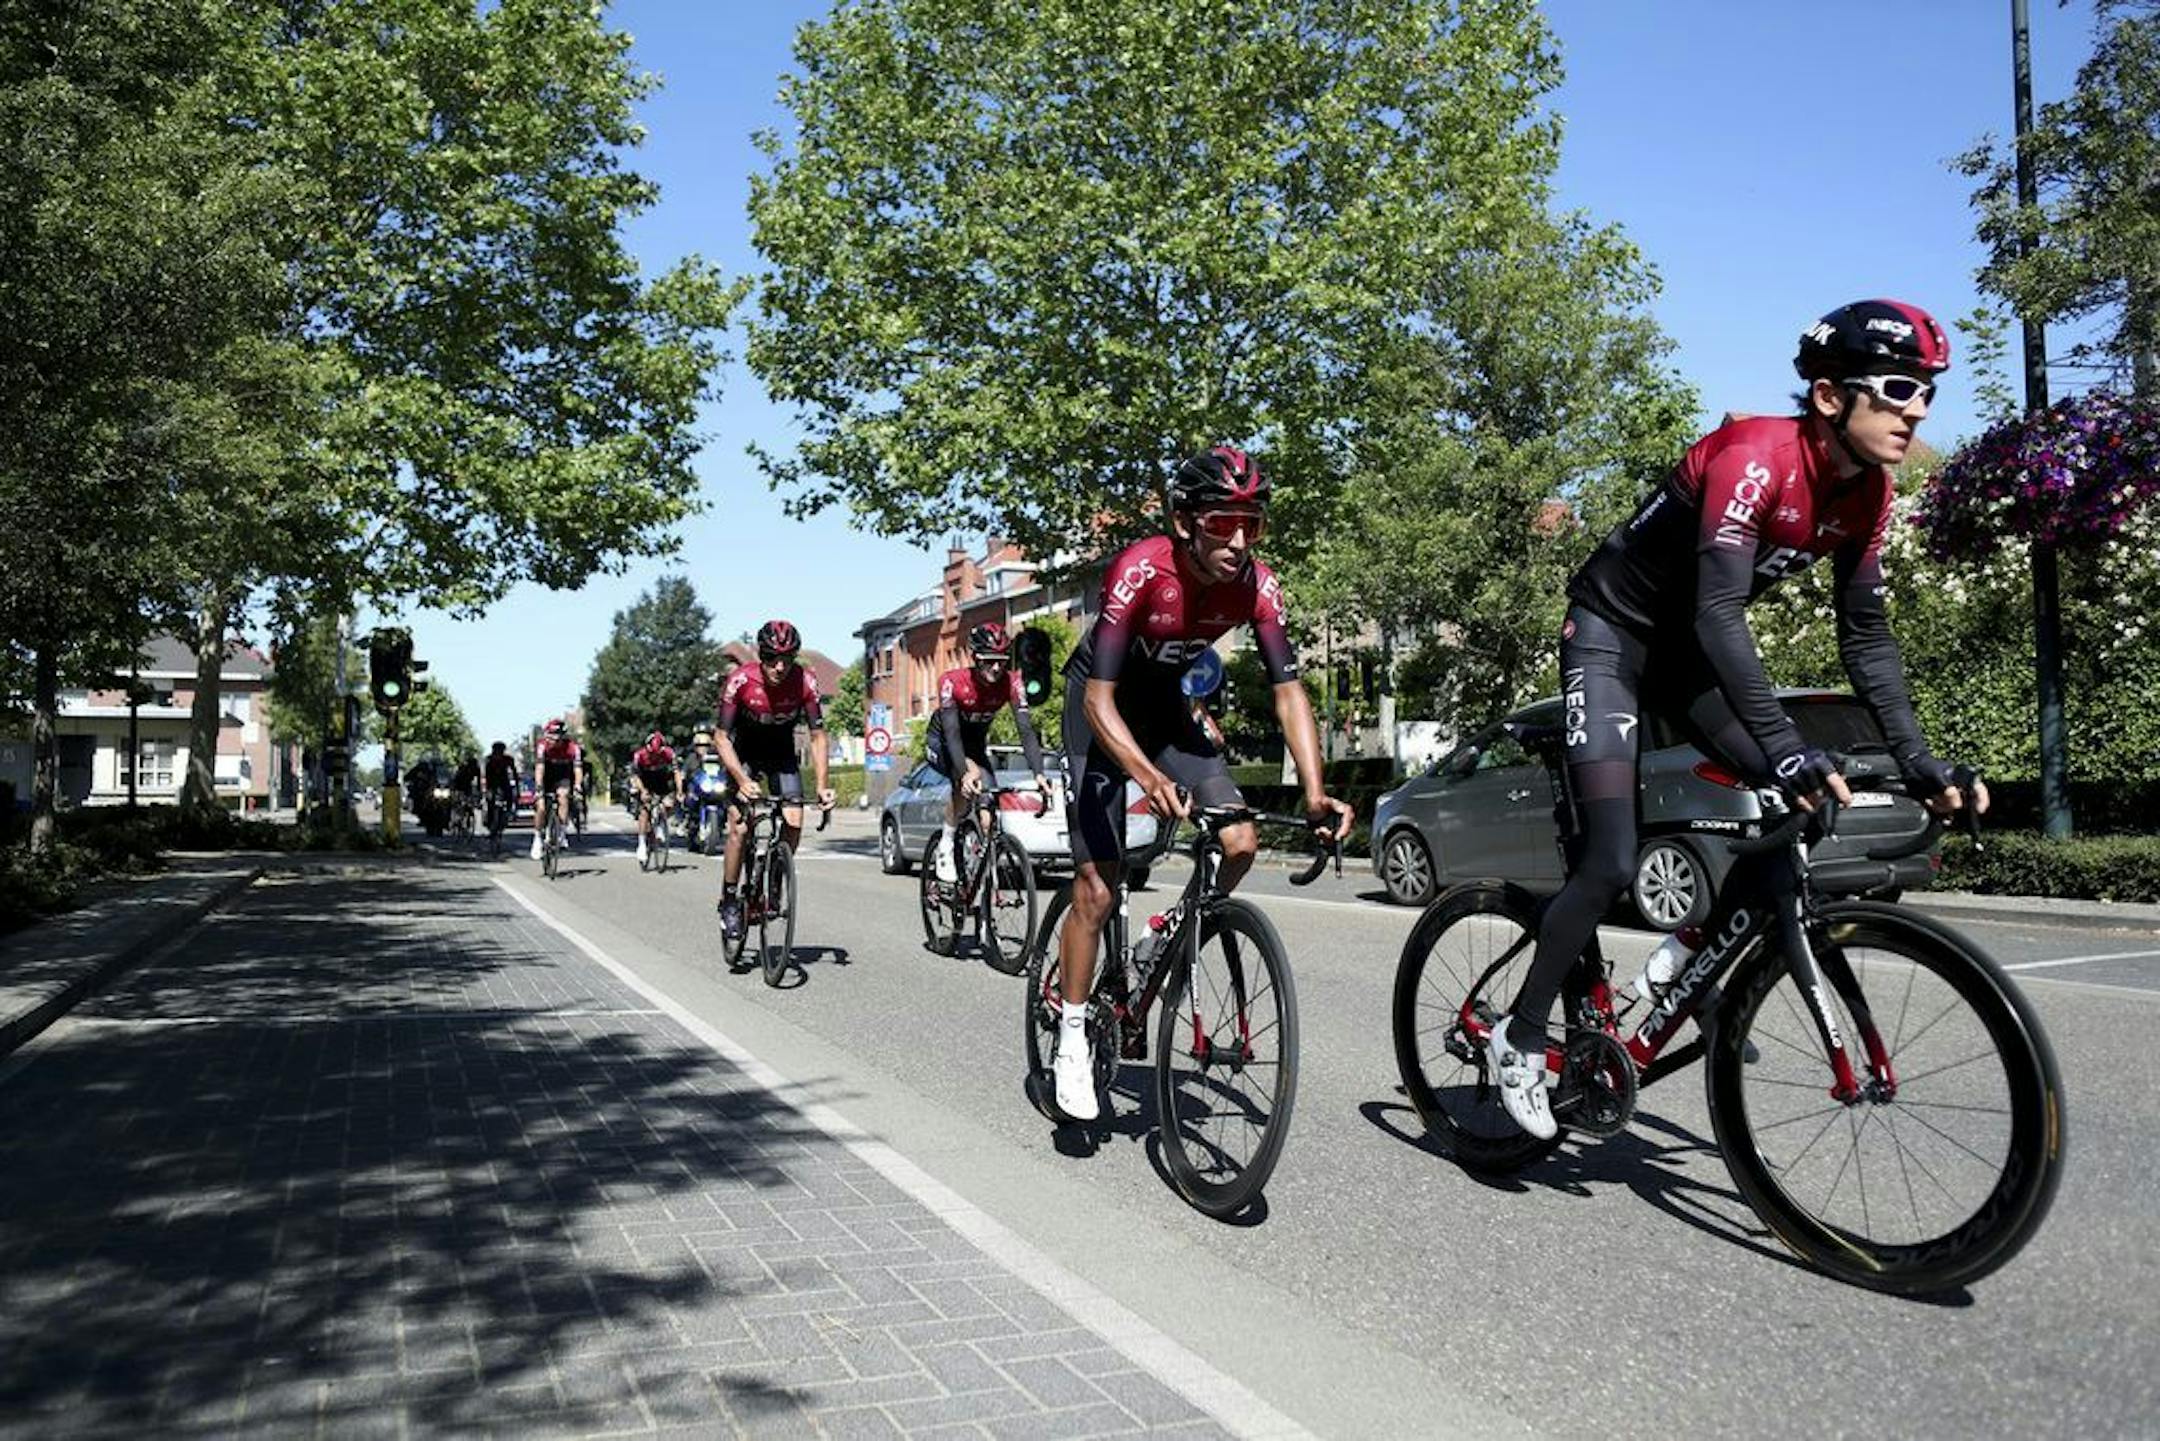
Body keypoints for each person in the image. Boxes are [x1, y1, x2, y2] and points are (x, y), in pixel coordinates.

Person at [1485, 300, 1991, 1141]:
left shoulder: (1869, 493)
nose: (1919, 410)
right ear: (1830, 398)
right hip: (1613, 640)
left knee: (1799, 800)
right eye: (1900, 388)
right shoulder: (1756, 457)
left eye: (1929, 391)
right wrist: (1787, 747)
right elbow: (1721, 614)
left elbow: (1866, 639)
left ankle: (1689, 953)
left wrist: (1921, 760)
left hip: (1683, 654)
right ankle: (1522, 1033)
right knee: (1611, 860)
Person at [1051, 445, 1352, 1121]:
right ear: (1184, 520)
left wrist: (1313, 791)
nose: (1240, 541)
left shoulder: (1258, 586)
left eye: (1253, 524)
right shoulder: (1140, 570)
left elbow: (1288, 692)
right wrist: (1147, 775)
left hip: (1163, 707)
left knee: (1240, 841)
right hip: (1098, 710)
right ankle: (1072, 1034)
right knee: (1096, 889)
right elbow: (1100, 702)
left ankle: (1163, 951)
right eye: (1223, 523)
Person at [713, 621, 836, 942]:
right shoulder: (740, 680)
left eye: (787, 659)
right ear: (760, 654)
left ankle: (775, 882)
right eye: (771, 658)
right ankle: (728, 899)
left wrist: (823, 784)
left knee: (794, 819)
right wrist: (740, 779)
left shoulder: (806, 682)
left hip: (781, 754)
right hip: (745, 755)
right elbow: (721, 737)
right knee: (739, 825)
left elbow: (819, 736)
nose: (779, 667)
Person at [928, 621, 1052, 883]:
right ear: (975, 658)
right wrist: (963, 772)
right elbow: (952, 733)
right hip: (943, 741)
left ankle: (982, 883)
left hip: (974, 744)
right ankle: (946, 845)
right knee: (968, 779)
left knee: (988, 817)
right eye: (989, 661)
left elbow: (1026, 731)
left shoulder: (1012, 682)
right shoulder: (953, 682)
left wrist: (1039, 774)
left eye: (1002, 661)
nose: (996, 668)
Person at [530, 718, 584, 860]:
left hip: (563, 774)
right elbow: (540, 768)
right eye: (552, 734)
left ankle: (561, 832)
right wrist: (539, 787)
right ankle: (537, 838)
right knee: (541, 807)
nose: (555, 738)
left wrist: (578, 786)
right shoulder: (542, 746)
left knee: (564, 796)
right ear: (546, 735)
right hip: (546, 774)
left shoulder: (573, 747)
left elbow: (577, 769)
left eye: (558, 734)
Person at [630, 730, 683, 865]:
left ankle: (660, 824)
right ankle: (641, 844)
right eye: (652, 753)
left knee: (669, 803)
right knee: (644, 811)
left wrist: (679, 791)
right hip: (644, 779)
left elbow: (677, 773)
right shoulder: (639, 755)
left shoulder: (669, 754)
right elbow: (635, 776)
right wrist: (642, 791)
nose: (655, 756)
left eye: (658, 753)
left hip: (661, 779)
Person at [482, 741, 519, 833]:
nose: (498, 753)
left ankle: (508, 814)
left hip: (503, 783)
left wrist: (517, 787)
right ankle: (490, 824)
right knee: (490, 802)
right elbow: (485, 775)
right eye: (497, 751)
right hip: (492, 784)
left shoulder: (508, 759)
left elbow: (514, 773)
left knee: (509, 797)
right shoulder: (489, 759)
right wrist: (485, 789)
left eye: (500, 751)